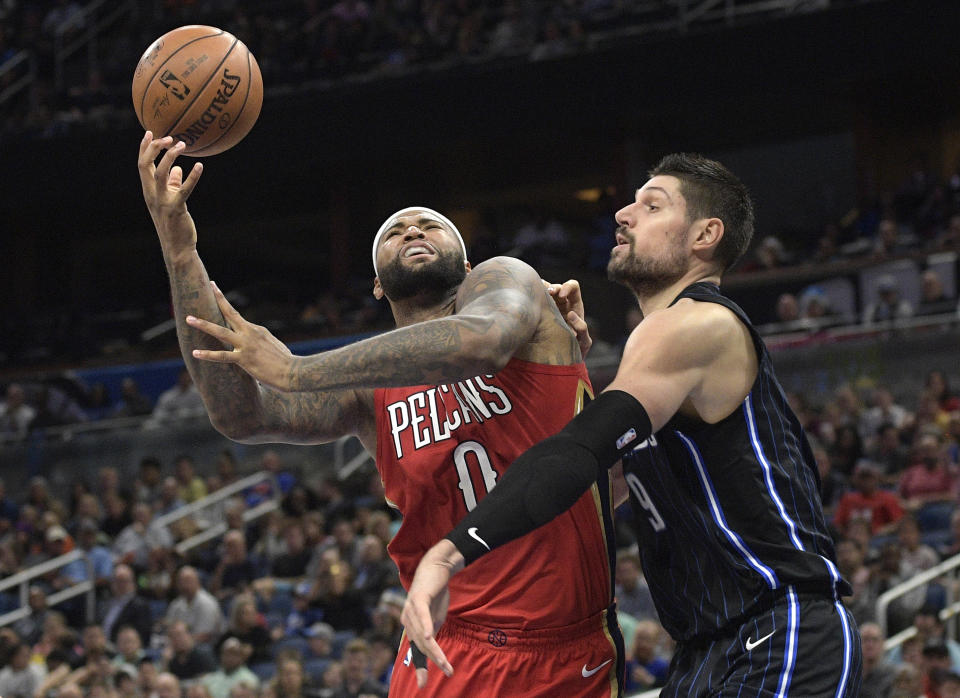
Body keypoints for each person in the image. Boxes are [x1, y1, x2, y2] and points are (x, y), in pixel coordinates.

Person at [138, 131, 623, 696]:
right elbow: (240, 414)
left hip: (559, 646)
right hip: (444, 642)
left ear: (468, 265)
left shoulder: (507, 281)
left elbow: (481, 340)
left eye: (429, 225)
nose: (413, 229)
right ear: (375, 284)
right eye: (394, 232)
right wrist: (180, 254)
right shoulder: (369, 391)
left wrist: (296, 369)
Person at [401, 153, 863, 695]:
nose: (622, 213)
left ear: (705, 235)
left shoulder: (699, 322)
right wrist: (557, 358)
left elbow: (580, 449)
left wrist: (450, 551)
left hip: (781, 627)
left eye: (651, 205)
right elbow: (584, 487)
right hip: (704, 651)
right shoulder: (655, 358)